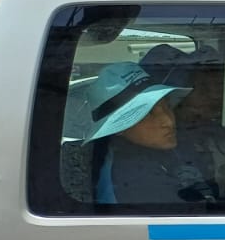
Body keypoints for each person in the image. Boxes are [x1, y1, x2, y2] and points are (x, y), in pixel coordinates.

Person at [139, 45, 225, 200]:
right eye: (203, 89)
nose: (216, 96)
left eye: (219, 86)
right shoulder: (154, 153)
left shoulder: (215, 135)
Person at [85, 62, 215, 206]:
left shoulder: (162, 152)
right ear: (119, 128)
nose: (168, 121)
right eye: (148, 113)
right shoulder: (134, 178)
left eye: (167, 106)